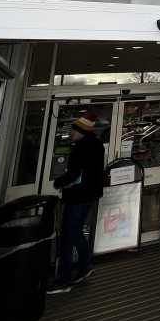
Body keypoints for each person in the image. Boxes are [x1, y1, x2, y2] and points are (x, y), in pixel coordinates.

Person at [48, 112, 105, 294]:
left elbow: (75, 174)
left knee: (67, 236)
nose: (71, 132)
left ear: (82, 131)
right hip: (91, 195)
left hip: (78, 196)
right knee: (76, 230)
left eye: (74, 129)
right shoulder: (97, 145)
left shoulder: (81, 148)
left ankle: (65, 280)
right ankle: (85, 264)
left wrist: (59, 183)